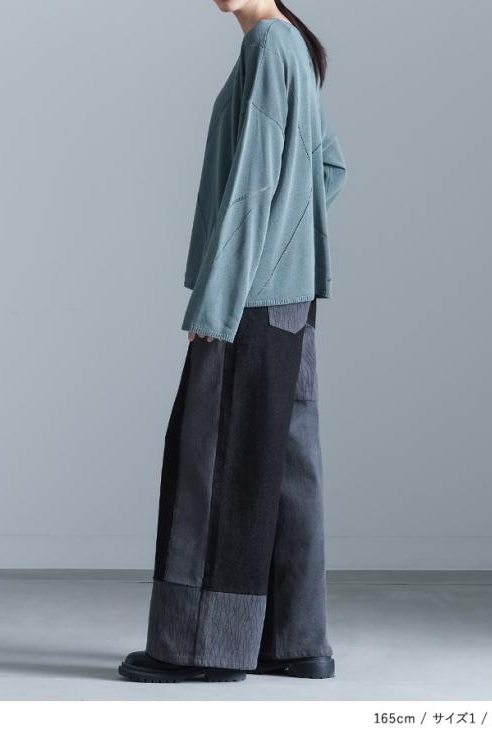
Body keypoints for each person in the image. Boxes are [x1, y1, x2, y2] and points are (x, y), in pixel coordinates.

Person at [119, 0, 347, 683]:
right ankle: (294, 642)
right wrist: (289, 249)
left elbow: (253, 187)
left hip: (248, 295)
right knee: (285, 467)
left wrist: (220, 297)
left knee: (214, 460)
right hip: (289, 295)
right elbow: (328, 168)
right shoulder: (293, 47)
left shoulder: (269, 48)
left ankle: (201, 648)